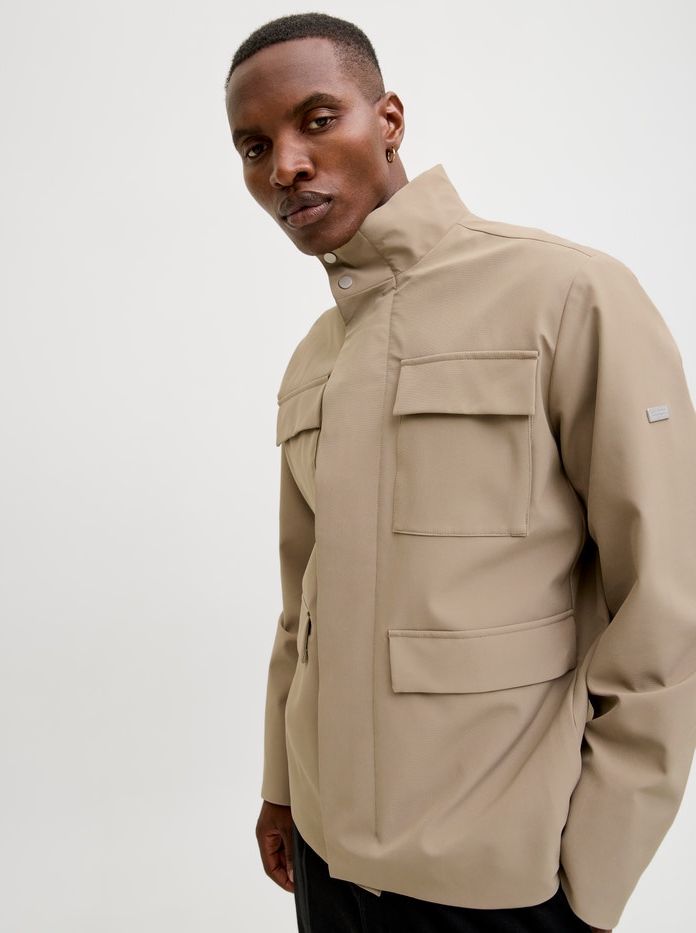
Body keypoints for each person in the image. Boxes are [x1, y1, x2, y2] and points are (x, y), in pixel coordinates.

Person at [224, 13, 696, 933]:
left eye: (316, 120)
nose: (285, 166)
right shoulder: (315, 356)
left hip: (499, 884)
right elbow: (301, 605)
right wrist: (282, 787)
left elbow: (669, 601)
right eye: (254, 147)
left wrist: (595, 873)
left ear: (389, 119)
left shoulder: (570, 296)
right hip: (326, 858)